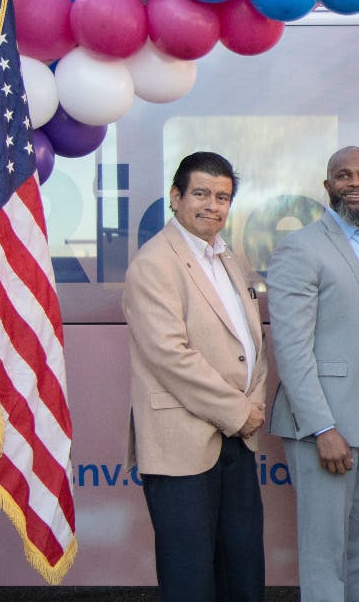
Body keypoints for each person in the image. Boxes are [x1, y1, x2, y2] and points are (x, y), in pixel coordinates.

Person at [123, 151, 266, 602]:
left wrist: (252, 405)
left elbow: (251, 345)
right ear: (175, 197)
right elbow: (171, 356)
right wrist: (238, 411)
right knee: (190, 578)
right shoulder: (154, 263)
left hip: (235, 439)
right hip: (183, 443)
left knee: (242, 570)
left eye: (222, 197)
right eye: (201, 193)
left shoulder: (226, 258)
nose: (213, 205)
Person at [267, 146, 359, 602]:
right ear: (328, 187)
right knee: (325, 556)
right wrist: (322, 427)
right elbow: (291, 347)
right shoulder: (301, 247)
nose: (356, 183)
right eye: (344, 175)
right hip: (324, 427)